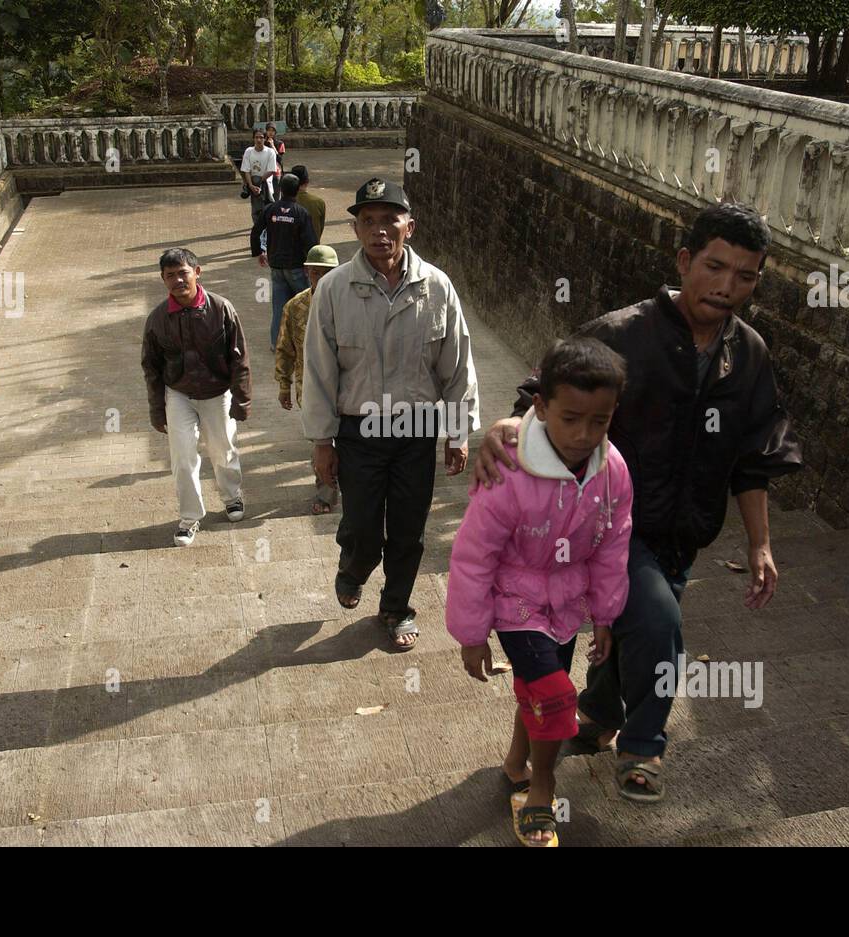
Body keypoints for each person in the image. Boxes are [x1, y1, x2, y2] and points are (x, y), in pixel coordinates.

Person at [473, 202, 803, 803]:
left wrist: (760, 543)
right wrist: (506, 423)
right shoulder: (623, 333)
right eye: (715, 267)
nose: (727, 287)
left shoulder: (747, 354)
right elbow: (541, 391)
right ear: (685, 261)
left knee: (619, 639)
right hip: (600, 529)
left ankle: (594, 719)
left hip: (684, 531)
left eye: (746, 276)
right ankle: (642, 747)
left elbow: (754, 457)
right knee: (653, 623)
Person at [448, 337, 633, 847]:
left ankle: (514, 764)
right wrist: (471, 632)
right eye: (570, 418)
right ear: (541, 406)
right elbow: (472, 553)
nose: (584, 434)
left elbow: (612, 544)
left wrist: (604, 612)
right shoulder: (507, 467)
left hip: (568, 605)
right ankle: (542, 791)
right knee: (555, 697)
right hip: (515, 603)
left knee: (538, 691)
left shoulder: (612, 471)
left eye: (600, 421)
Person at [302, 177, 480, 650]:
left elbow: (457, 364)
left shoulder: (436, 287)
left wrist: (457, 432)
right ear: (357, 230)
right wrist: (322, 442)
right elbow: (318, 371)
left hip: (416, 428)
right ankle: (353, 567)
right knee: (362, 528)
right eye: (368, 221)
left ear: (410, 226)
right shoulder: (336, 289)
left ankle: (396, 607)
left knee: (408, 530)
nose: (379, 230)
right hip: (359, 427)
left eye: (389, 220)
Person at [142, 248, 251, 545]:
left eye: (183, 273)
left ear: (197, 272)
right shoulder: (157, 319)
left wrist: (242, 398)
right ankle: (189, 518)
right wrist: (157, 409)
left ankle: (231, 496)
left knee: (223, 448)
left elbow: (239, 357)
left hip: (218, 392)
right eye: (170, 276)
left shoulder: (221, 309)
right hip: (178, 394)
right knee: (182, 457)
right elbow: (150, 367)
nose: (177, 280)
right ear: (163, 280)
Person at [275, 244, 340, 515]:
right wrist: (283, 385)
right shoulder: (296, 307)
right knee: (322, 444)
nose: (321, 279)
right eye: (316, 273)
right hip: (311, 390)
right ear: (307, 273)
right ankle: (326, 494)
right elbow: (285, 348)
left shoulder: (352, 302)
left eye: (327, 273)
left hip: (350, 389)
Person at [251, 172, 317, 353]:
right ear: (298, 191)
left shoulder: (270, 210)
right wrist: (311, 264)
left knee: (279, 308)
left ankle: (277, 344)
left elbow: (256, 231)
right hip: (297, 268)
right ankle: (307, 344)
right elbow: (311, 241)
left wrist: (259, 252)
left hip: (276, 267)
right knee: (305, 307)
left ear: (280, 190)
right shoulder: (301, 213)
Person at [239, 128, 278, 224]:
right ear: (253, 139)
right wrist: (251, 185)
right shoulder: (249, 151)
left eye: (261, 137)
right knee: (256, 208)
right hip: (253, 183)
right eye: (256, 137)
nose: (259, 140)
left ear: (265, 139)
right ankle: (257, 228)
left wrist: (259, 182)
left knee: (269, 206)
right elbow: (246, 170)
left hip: (266, 183)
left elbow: (272, 170)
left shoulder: (270, 152)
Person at [291, 164, 326, 244]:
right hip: (312, 250)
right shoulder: (318, 202)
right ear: (307, 181)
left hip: (291, 251)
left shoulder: (283, 204)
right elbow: (320, 228)